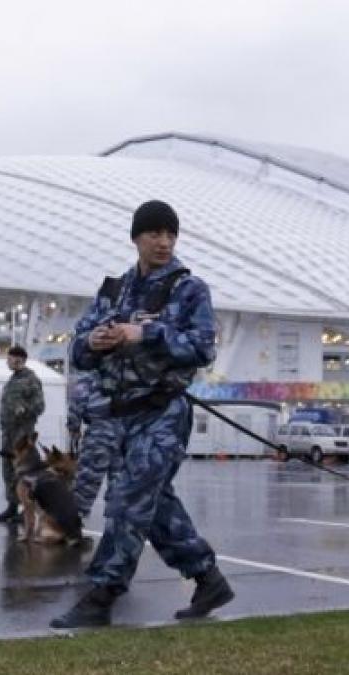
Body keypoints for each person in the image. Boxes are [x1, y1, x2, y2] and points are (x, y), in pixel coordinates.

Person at [51, 200, 234, 628]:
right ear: (136, 238)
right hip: (119, 415)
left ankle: (102, 594)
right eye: (154, 234)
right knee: (154, 506)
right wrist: (95, 342)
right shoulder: (114, 289)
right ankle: (208, 578)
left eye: (171, 234)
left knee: (128, 501)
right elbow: (77, 350)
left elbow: (203, 347)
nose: (164, 242)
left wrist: (145, 333)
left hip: (162, 412)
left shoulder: (189, 290)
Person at [0, 345, 45, 523]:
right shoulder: (12, 380)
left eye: (10, 358)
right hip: (8, 433)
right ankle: (12, 506)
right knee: (8, 470)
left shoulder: (31, 380)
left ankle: (27, 508)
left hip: (22, 435)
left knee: (24, 472)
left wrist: (24, 410)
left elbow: (40, 406)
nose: (7, 362)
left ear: (19, 359)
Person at [67, 370, 121, 519]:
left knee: (85, 485)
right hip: (126, 436)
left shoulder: (88, 378)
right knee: (120, 487)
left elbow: (76, 405)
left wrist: (74, 427)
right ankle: (116, 530)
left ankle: (73, 526)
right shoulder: (127, 374)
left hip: (99, 436)